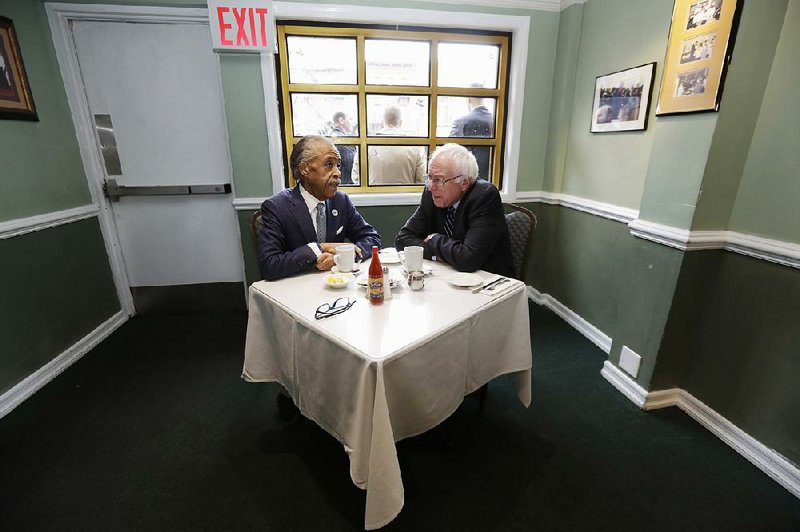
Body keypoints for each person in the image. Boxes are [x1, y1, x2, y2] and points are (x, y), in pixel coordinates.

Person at [258, 135, 381, 281]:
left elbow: (372, 238)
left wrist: (343, 255)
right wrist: (320, 248)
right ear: (305, 169)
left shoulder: (341, 201)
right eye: (329, 164)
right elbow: (269, 265)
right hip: (296, 291)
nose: (338, 173)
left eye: (338, 165)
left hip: (338, 288)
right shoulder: (277, 207)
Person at [395, 143, 513, 277]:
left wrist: (435, 240)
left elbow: (468, 260)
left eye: (439, 180)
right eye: (429, 178)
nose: (430, 187)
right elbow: (402, 239)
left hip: (488, 281)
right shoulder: (432, 194)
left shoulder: (484, 196)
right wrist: (441, 255)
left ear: (464, 183)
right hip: (449, 275)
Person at [368, 105, 425, 185]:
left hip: (372, 196)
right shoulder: (414, 147)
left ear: (382, 122)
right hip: (406, 196)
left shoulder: (367, 145)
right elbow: (421, 179)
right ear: (400, 122)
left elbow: (357, 176)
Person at [449, 87, 493, 180]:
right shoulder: (496, 121)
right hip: (492, 178)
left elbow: (450, 152)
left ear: (468, 99)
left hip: (467, 179)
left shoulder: (460, 121)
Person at [331, 111, 356, 185]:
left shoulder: (331, 137)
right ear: (341, 120)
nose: (352, 122)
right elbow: (352, 164)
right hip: (345, 184)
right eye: (350, 119)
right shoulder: (343, 140)